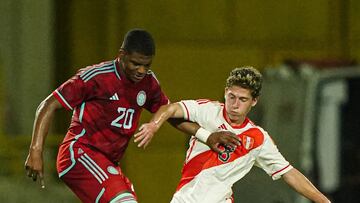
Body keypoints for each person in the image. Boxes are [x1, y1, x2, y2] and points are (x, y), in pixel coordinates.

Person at [24, 29, 239, 203]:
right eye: (135, 63)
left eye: (146, 65)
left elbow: (170, 115)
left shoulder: (149, 83)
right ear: (121, 54)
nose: (141, 71)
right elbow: (48, 105)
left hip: (108, 162)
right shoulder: (97, 77)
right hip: (80, 154)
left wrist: (207, 136)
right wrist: (36, 151)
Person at [134, 66, 331, 203]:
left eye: (243, 99)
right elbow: (171, 109)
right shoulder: (208, 110)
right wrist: (153, 125)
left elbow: (289, 173)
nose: (235, 105)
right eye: (231, 97)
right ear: (226, 92)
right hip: (184, 199)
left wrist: (323, 201)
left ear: (254, 101)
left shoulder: (257, 138)